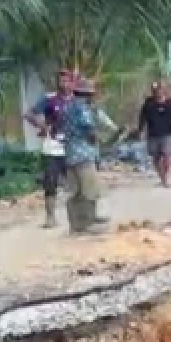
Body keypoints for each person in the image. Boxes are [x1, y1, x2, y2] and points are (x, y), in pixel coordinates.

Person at [63, 76, 118, 235]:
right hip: (84, 154)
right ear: (88, 94)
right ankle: (87, 223)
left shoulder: (68, 107)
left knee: (76, 191)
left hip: (70, 154)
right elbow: (89, 129)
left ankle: (75, 224)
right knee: (89, 190)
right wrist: (100, 139)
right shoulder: (83, 109)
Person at [24, 69, 75, 228]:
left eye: (67, 80)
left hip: (73, 147)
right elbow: (29, 114)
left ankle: (80, 215)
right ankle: (50, 217)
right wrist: (42, 126)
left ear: (72, 83)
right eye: (61, 80)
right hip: (52, 146)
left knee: (76, 182)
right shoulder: (50, 99)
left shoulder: (77, 101)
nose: (64, 84)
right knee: (50, 182)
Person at [136, 80, 171, 188]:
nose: (157, 92)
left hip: (167, 134)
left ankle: (165, 178)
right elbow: (142, 118)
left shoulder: (170, 103)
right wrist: (141, 130)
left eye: (159, 90)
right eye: (154, 90)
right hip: (153, 134)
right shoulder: (148, 103)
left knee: (166, 155)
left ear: (163, 90)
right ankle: (162, 178)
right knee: (155, 158)